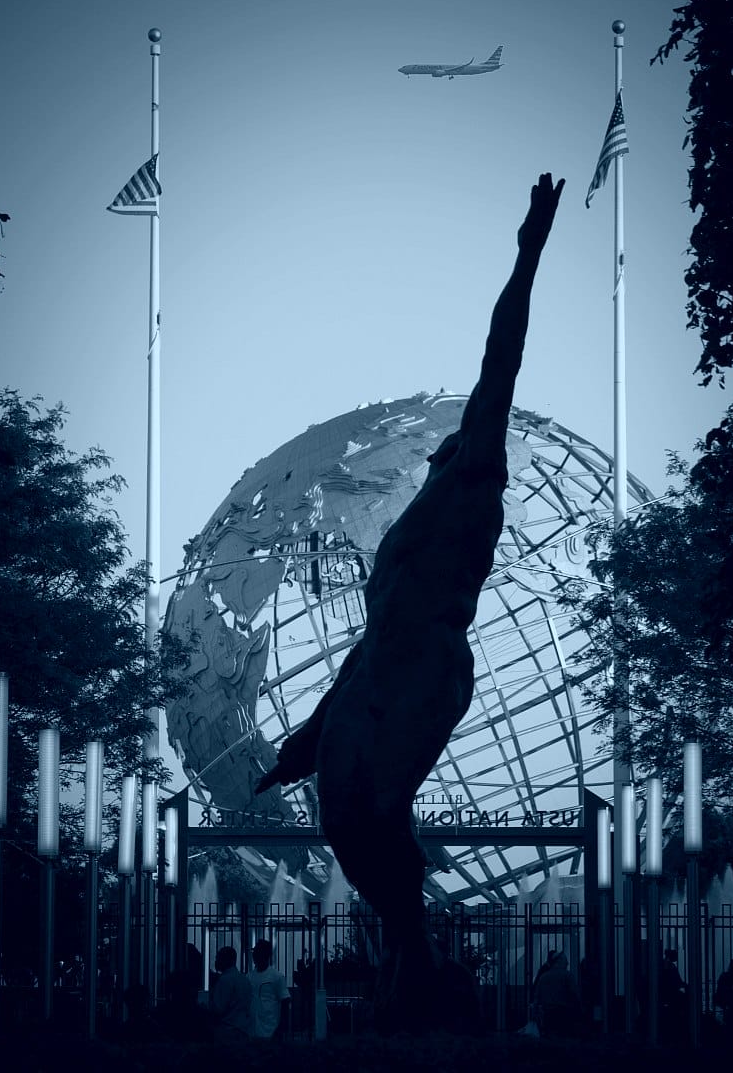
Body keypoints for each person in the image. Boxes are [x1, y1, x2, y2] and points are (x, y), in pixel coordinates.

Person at [256, 173, 564, 1031]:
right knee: (342, 813)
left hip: (430, 662)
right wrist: (304, 740)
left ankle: (419, 970)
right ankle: (409, 958)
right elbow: (359, 645)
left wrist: (528, 250)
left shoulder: (476, 474)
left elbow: (500, 357)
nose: (450, 438)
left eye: (465, 430)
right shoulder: (411, 523)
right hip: (381, 659)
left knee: (375, 810)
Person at [210, 945, 253, 1045]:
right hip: (243, 1030)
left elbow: (218, 1009)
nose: (216, 961)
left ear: (226, 960)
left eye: (218, 958)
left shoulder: (224, 980)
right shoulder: (244, 979)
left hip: (227, 1032)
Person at [532, 952, 581, 1038]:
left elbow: (536, 998)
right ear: (559, 961)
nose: (567, 963)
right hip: (564, 1014)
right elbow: (575, 994)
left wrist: (535, 1015)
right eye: (565, 960)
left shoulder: (543, 977)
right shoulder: (568, 976)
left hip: (547, 1015)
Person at [248, 939, 290, 1039]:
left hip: (271, 1028)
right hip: (255, 1027)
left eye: (257, 952)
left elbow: (285, 1002)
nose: (254, 955)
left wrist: (280, 1028)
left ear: (265, 955)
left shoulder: (276, 976)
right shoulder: (249, 976)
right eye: (254, 952)